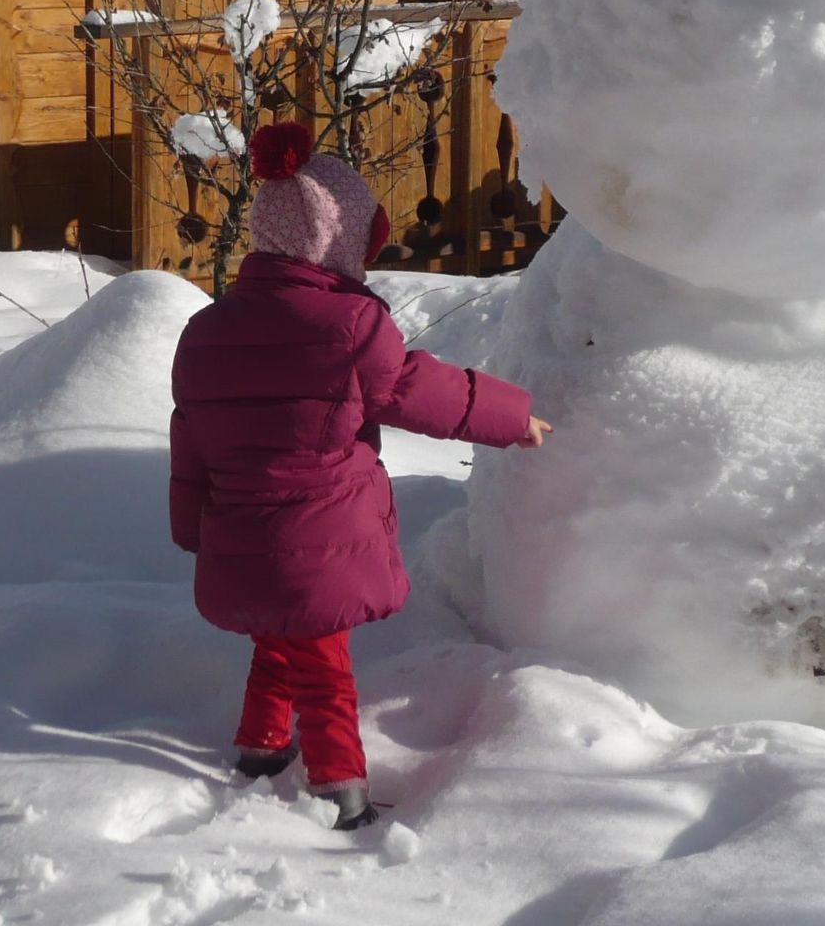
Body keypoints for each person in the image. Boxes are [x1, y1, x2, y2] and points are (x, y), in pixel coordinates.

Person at [169, 121, 550, 830]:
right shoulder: (350, 325)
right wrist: (513, 416)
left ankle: (259, 749)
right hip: (321, 539)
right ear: (337, 243)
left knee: (279, 643)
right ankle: (338, 789)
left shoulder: (206, 330)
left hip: (243, 537)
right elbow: (416, 390)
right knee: (324, 666)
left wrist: (191, 526)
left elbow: (189, 435)